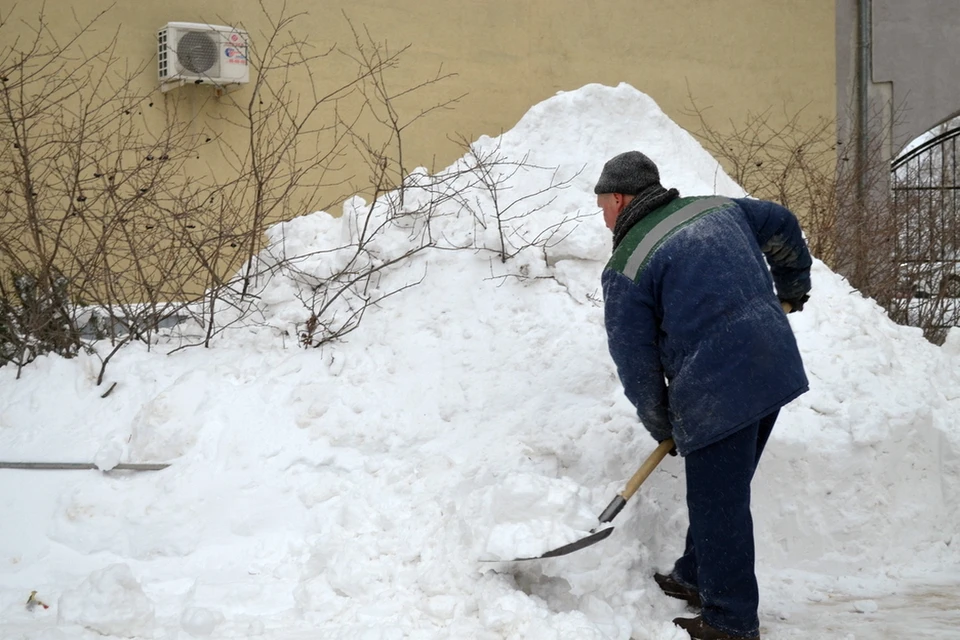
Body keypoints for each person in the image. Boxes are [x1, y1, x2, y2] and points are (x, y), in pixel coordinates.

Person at [595, 151, 812, 640]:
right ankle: (695, 573)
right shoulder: (714, 208)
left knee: (720, 503)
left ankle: (731, 620)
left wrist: (661, 422)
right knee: (723, 491)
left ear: (619, 197)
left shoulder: (627, 264)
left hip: (718, 386)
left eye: (602, 206)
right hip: (772, 363)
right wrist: (792, 287)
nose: (603, 217)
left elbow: (636, 363)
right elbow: (781, 220)